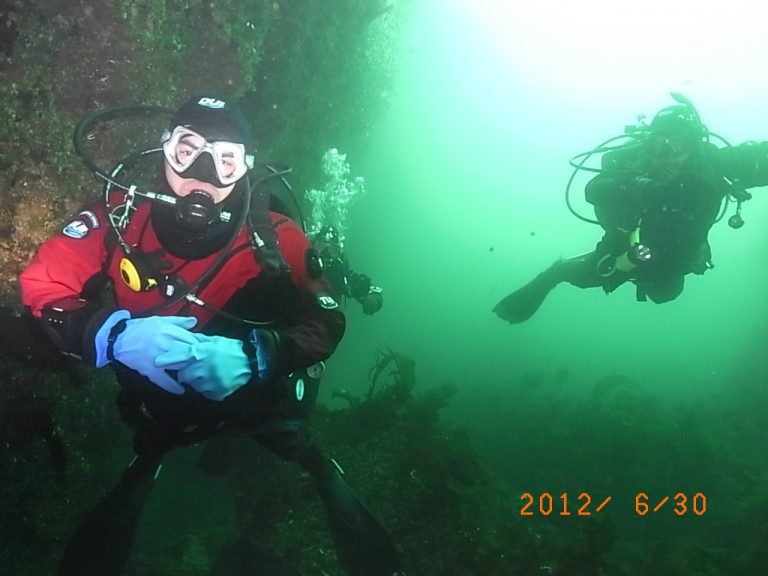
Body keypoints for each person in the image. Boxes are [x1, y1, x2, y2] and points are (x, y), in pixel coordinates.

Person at [18, 94, 402, 576]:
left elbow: (326, 317)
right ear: (164, 148)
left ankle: (313, 462)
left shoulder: (275, 235)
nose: (202, 175)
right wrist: (113, 337)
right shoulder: (120, 215)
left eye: (225, 161)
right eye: (187, 150)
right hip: (165, 402)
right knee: (156, 435)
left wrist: (259, 355)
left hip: (260, 398)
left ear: (246, 168)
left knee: (286, 430)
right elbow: (42, 283)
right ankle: (148, 465)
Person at [494, 96, 768, 323]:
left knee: (665, 294)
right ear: (648, 146)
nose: (665, 156)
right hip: (626, 246)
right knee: (589, 276)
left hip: (681, 251)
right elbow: (594, 189)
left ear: (694, 146)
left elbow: (756, 158)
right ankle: (556, 273)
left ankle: (658, 275)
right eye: (658, 145)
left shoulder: (714, 165)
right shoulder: (637, 166)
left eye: (677, 144)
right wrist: (645, 189)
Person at [312, 224, 384, 316]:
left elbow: (354, 283)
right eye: (324, 247)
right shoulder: (304, 255)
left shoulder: (340, 273)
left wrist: (371, 299)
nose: (328, 252)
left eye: (333, 249)